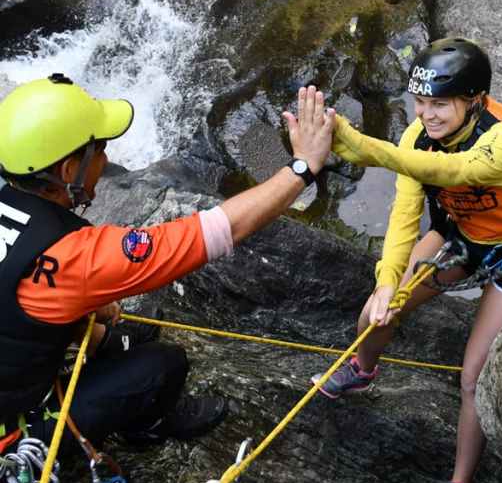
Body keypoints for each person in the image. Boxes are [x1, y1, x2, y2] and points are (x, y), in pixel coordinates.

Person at [0, 73, 334, 458]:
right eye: (100, 149)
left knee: (116, 328)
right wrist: (302, 167)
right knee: (163, 365)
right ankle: (147, 425)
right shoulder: (73, 257)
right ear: (66, 172)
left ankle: (104, 343)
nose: (106, 159)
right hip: (15, 433)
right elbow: (214, 231)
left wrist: (87, 313)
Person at [312, 38, 502, 483]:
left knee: (473, 377)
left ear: (474, 101)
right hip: (459, 236)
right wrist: (386, 286)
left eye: (439, 104)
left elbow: (454, 170)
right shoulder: (414, 138)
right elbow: (404, 220)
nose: (426, 115)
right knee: (374, 312)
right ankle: (363, 367)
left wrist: (362, 147)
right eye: (420, 103)